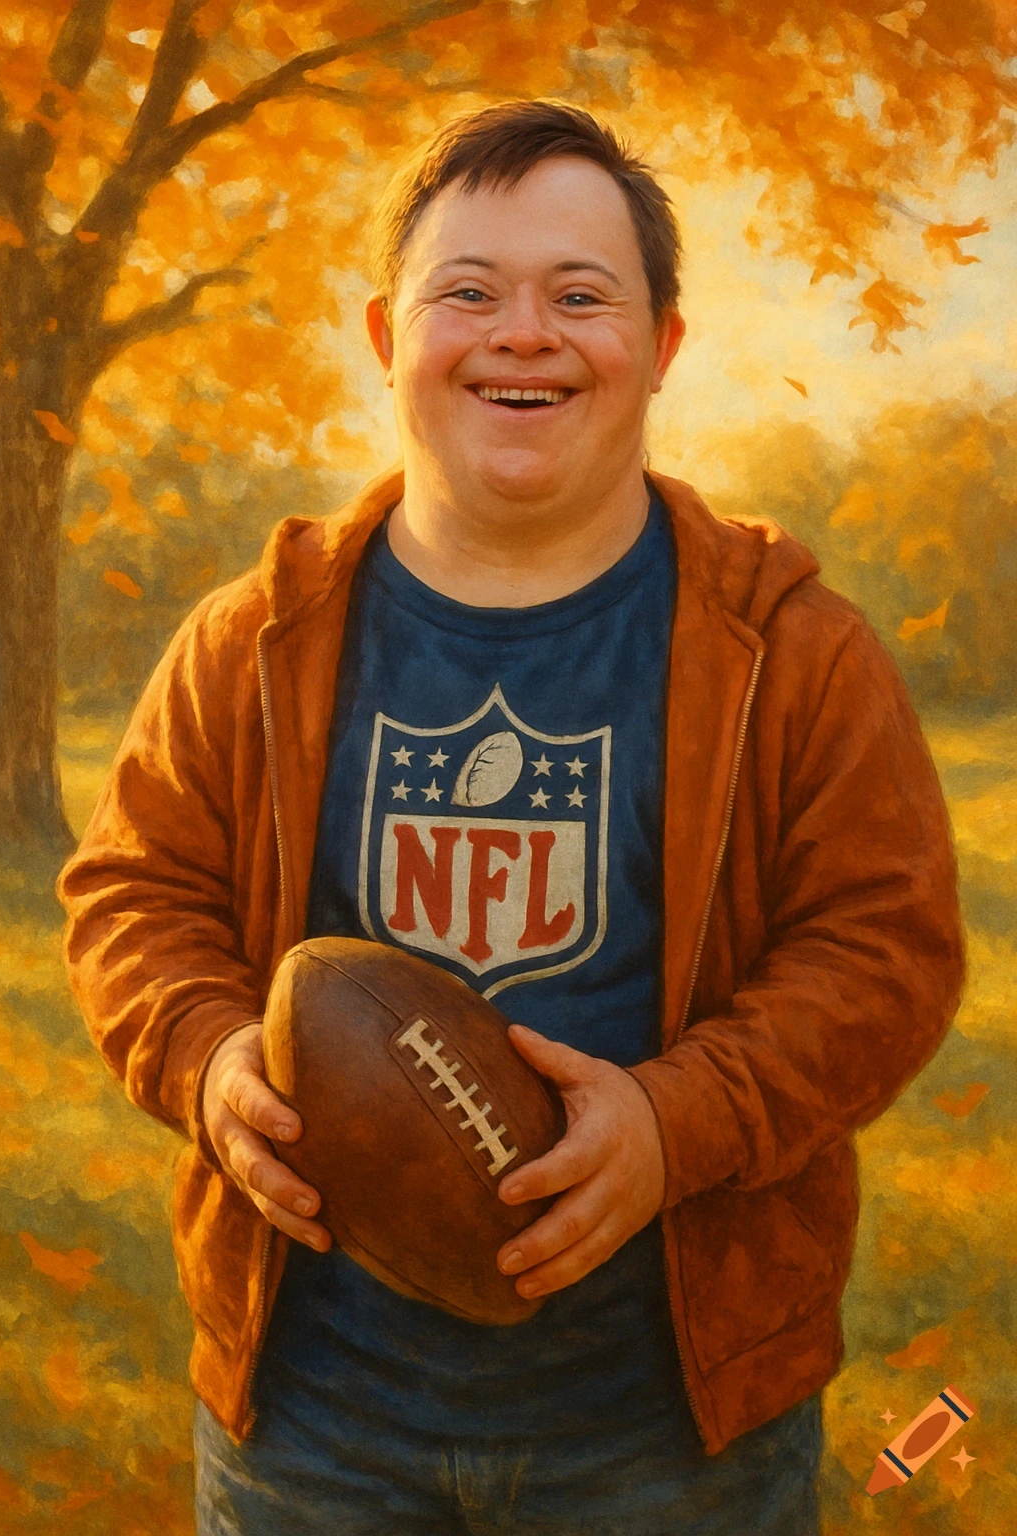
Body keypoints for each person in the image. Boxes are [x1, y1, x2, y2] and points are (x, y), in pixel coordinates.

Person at [58, 100, 964, 1535]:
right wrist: (209, 1055)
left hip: (670, 1431)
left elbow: (886, 950)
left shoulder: (791, 652)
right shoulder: (254, 641)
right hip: (318, 1418)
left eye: (580, 296)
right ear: (386, 337)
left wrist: (675, 1122)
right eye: (468, 293)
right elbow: (133, 895)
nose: (523, 335)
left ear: (662, 345)